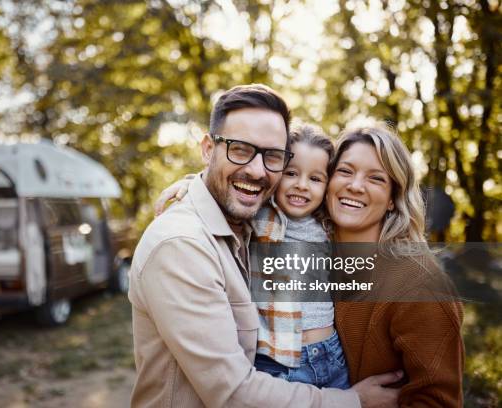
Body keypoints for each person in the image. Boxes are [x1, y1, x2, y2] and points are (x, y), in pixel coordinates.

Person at [129, 84, 402, 408]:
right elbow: (232, 393)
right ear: (207, 149)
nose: (257, 170)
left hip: (329, 358)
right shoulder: (183, 245)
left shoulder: (249, 216)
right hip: (277, 370)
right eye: (240, 149)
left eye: (271, 156)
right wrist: (353, 401)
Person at [325, 124, 464, 407]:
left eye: (376, 179)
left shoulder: (418, 282)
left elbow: (438, 402)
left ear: (392, 199)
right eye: (345, 171)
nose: (355, 185)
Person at [249, 124, 351, 389]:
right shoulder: (259, 215)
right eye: (291, 173)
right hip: (277, 364)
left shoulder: (330, 224)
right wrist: (188, 184)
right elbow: (222, 187)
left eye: (315, 179)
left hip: (331, 356)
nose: (301, 185)